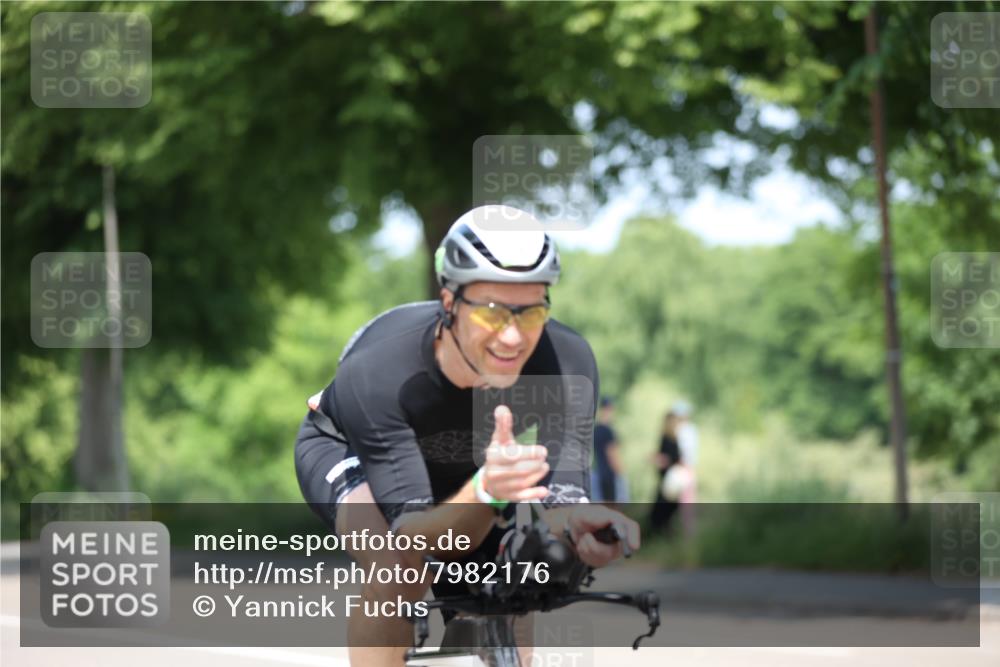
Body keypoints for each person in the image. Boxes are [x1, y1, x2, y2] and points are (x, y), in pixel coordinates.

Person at [294, 205, 640, 667]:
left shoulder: (566, 361)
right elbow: (414, 532)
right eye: (494, 313)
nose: (514, 338)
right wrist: (486, 493)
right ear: (450, 302)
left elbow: (564, 496)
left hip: (471, 468)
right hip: (349, 452)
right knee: (400, 564)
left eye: (532, 313)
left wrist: (584, 528)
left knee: (520, 582)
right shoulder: (379, 371)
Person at [649, 410, 682, 532]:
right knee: (662, 508)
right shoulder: (667, 438)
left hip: (671, 479)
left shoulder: (672, 439)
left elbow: (670, 458)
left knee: (667, 506)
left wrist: (657, 459)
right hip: (666, 478)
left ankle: (662, 531)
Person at [591, 396, 627, 503]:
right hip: (609, 476)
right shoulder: (608, 431)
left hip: (598, 474)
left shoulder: (596, 429)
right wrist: (622, 474)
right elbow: (613, 456)